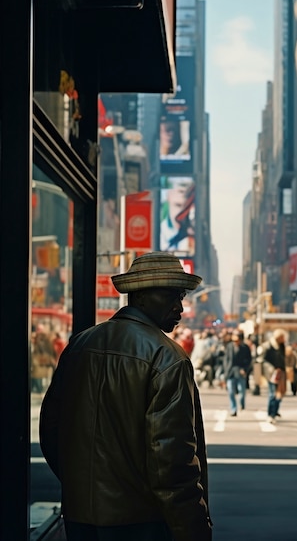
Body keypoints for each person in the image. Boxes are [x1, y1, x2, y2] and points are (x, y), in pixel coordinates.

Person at [39, 251, 213, 541]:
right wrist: (194, 530)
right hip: (141, 521)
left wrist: (80, 486)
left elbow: (52, 430)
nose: (179, 307)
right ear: (141, 296)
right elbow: (172, 462)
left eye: (180, 296)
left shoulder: (80, 344)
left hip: (80, 516)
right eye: (170, 295)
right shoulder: (167, 358)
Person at [160, 177, 195, 256]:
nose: (181, 216)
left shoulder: (194, 237)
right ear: (168, 194)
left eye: (187, 207)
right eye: (178, 205)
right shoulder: (159, 234)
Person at [260, 329, 287, 424]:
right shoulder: (268, 346)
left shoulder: (281, 346)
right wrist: (271, 369)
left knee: (280, 393)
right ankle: (270, 414)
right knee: (272, 394)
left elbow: (283, 360)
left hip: (281, 373)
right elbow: (263, 360)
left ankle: (275, 411)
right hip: (271, 373)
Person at [223, 330, 252, 416]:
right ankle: (233, 409)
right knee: (231, 391)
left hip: (240, 372)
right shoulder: (229, 346)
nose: (236, 342)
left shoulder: (245, 347)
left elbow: (249, 360)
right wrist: (226, 370)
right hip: (230, 372)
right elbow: (226, 359)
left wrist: (245, 369)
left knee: (241, 391)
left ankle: (242, 404)